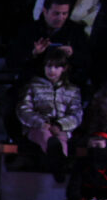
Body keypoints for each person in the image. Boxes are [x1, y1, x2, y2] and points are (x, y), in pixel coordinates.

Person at [17, 48, 84, 181]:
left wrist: (60, 125)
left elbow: (76, 114)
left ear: (64, 68)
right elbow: (23, 109)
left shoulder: (72, 90)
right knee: (45, 136)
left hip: (61, 128)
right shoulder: (33, 86)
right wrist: (42, 123)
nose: (52, 70)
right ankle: (58, 164)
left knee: (61, 140)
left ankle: (59, 166)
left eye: (56, 67)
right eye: (48, 66)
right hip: (38, 127)